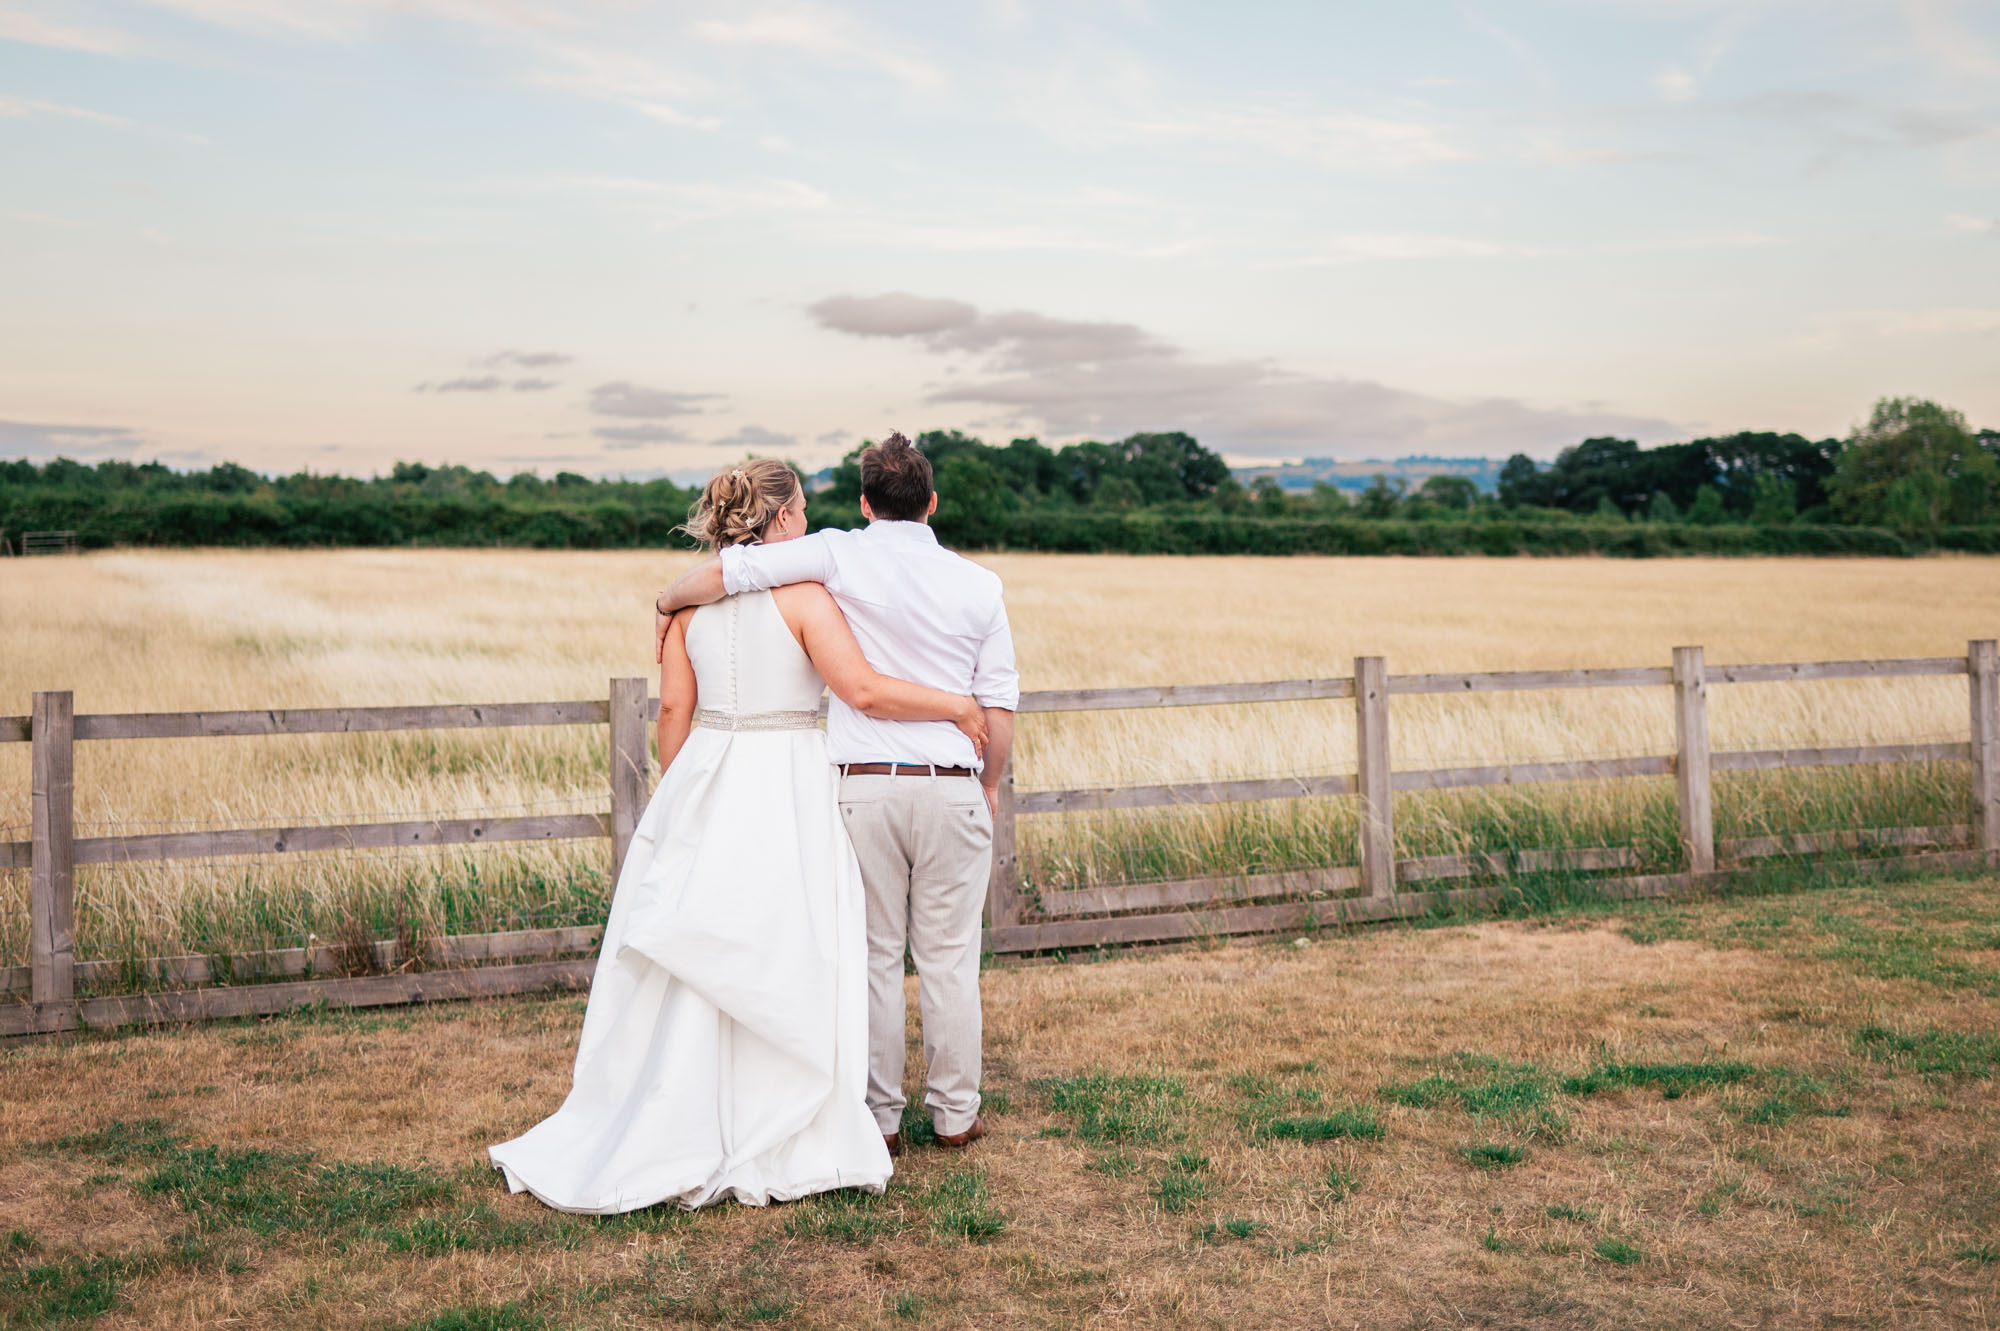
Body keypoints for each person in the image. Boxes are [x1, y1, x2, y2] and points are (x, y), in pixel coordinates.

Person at [489, 458, 989, 1212]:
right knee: (786, 942)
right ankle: (784, 1111)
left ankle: (687, 1108)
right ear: (782, 519)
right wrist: (956, 706)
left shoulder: (689, 610)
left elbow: (672, 714)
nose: (809, 522)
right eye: (803, 511)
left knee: (706, 941)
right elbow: (860, 690)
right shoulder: (806, 598)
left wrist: (683, 793)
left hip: (708, 773)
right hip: (788, 781)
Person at [653, 433, 1017, 1157]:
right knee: (949, 959)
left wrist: (666, 599)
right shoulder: (981, 585)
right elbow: (998, 706)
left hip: (863, 790)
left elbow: (735, 570)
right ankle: (955, 1115)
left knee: (874, 958)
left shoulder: (834, 554)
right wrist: (989, 782)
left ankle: (879, 1118)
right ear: (932, 502)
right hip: (950, 785)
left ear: (863, 503)